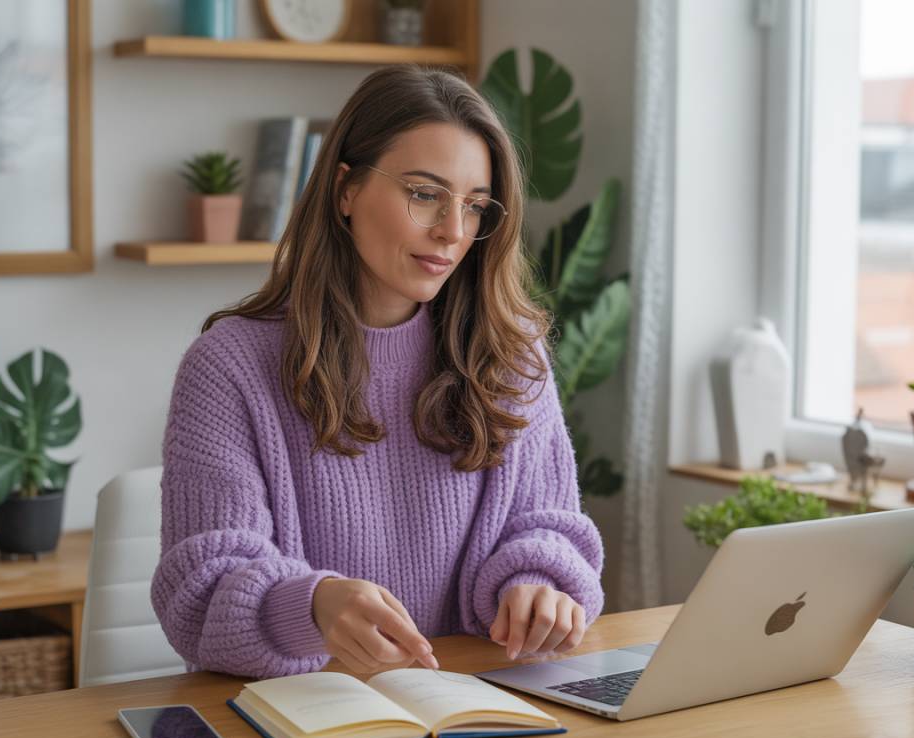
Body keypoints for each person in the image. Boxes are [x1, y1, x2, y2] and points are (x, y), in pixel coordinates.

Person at [151, 64, 605, 679]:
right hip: (305, 718)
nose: (452, 230)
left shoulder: (512, 355)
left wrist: (539, 583)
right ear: (345, 189)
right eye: (424, 194)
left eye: (474, 206)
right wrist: (310, 606)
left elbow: (548, 527)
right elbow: (200, 591)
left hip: (474, 709)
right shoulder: (228, 369)